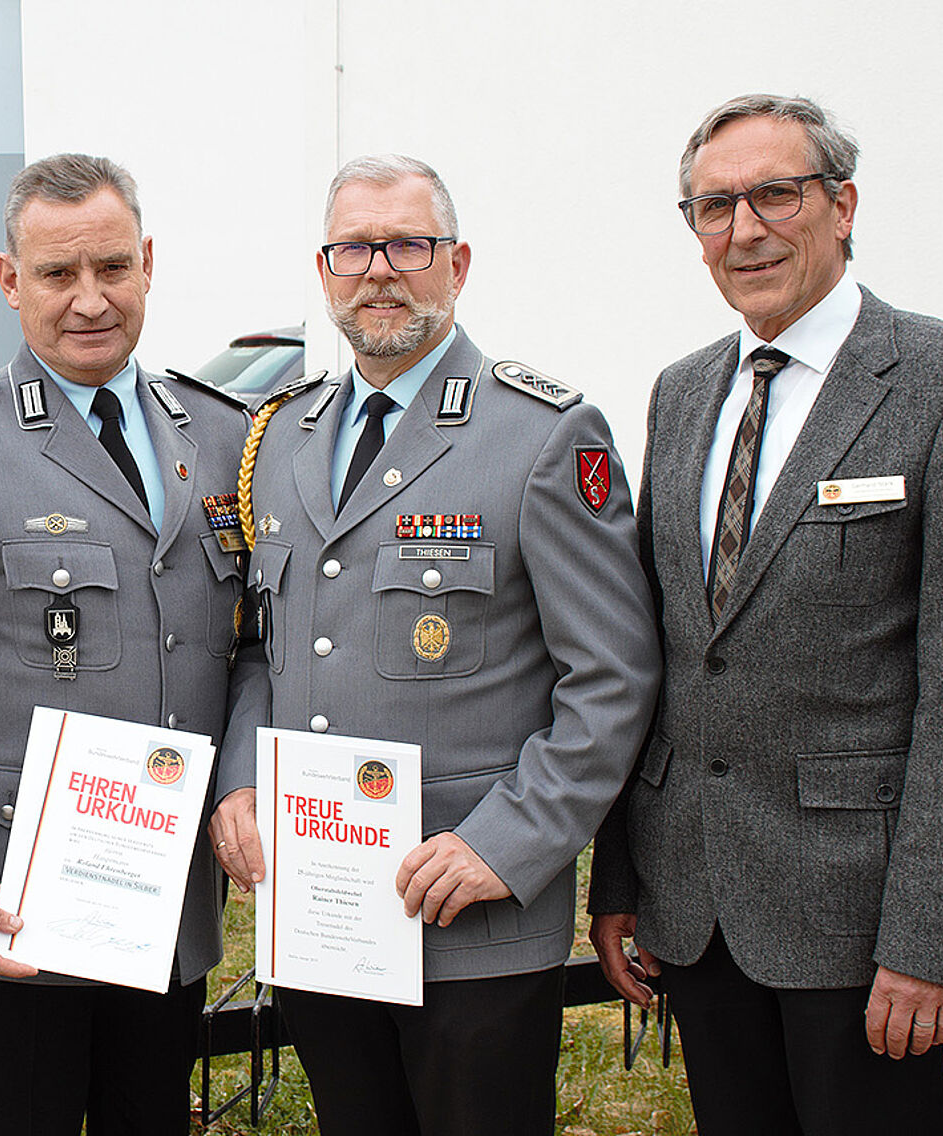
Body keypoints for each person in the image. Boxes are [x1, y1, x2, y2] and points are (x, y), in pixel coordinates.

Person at [589, 94, 943, 1135]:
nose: (746, 228)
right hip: (699, 905)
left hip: (860, 922)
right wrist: (623, 875)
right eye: (713, 206)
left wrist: (929, 939)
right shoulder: (683, 393)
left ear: (842, 204)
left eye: (776, 193)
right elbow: (662, 657)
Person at [212, 155, 661, 1135]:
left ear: (457, 264)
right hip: (326, 910)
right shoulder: (282, 437)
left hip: (472, 916)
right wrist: (240, 776)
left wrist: (506, 845)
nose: (380, 268)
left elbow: (613, 676)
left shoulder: (541, 433)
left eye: (408, 243)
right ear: (324, 269)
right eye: (355, 247)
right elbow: (260, 644)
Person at [0, 152, 268, 1135]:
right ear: (9, 281)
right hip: (10, 904)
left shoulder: (221, 434)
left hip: (165, 904)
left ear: (148, 262)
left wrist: (243, 775)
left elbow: (252, 646)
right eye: (56, 274)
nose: (90, 299)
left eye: (113, 267)